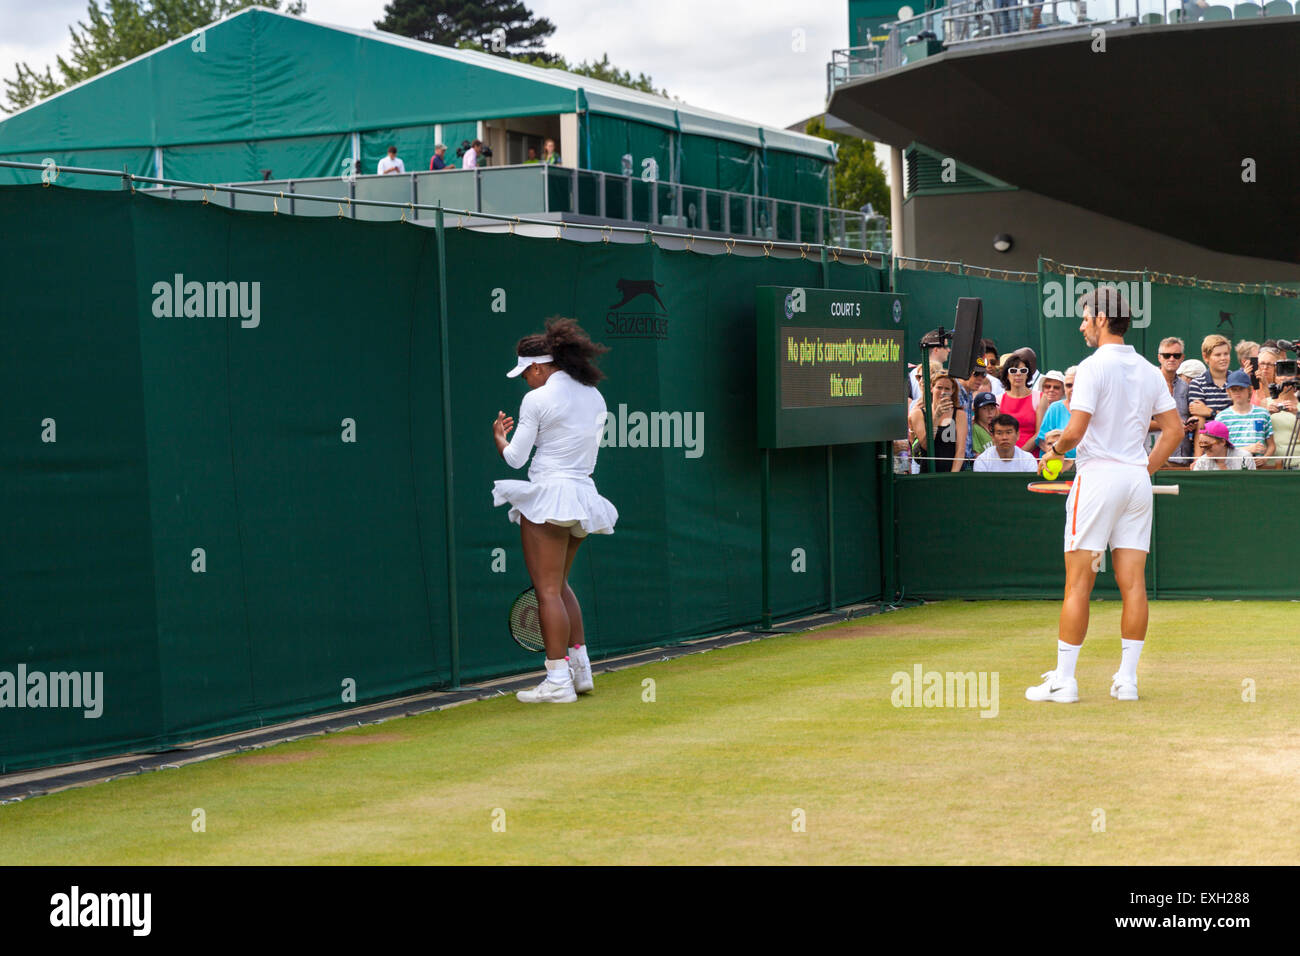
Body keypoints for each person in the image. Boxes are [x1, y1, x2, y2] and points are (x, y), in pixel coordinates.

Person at [1032, 286, 1183, 704]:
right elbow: (1174, 431)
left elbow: (1076, 432)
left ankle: (1064, 681)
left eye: (1085, 317)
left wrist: (1055, 448)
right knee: (1133, 584)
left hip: (1098, 479)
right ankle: (1128, 681)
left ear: (1101, 319)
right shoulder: (1151, 370)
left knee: (1077, 584)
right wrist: (1141, 470)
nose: (1082, 324)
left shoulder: (1092, 367)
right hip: (1136, 481)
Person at [492, 318, 618, 703]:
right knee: (559, 586)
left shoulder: (537, 398)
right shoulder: (594, 396)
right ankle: (580, 673)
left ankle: (558, 681)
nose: (525, 380)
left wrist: (500, 438)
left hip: (549, 498)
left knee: (547, 590)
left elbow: (515, 460)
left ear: (539, 367)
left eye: (526, 373)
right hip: (581, 498)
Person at [908, 371, 967, 473]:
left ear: (952, 391)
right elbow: (926, 445)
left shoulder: (960, 415)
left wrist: (952, 476)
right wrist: (936, 417)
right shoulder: (918, 414)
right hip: (928, 472)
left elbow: (960, 450)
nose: (943, 392)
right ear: (931, 388)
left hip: (952, 472)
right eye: (939, 387)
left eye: (947, 388)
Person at [1216, 369, 1273, 466]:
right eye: (1234, 389)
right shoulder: (1221, 417)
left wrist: (1265, 458)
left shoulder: (1263, 413)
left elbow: (1271, 445)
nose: (1238, 392)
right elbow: (1219, 449)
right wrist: (1247, 449)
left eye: (1241, 388)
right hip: (1232, 467)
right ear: (1228, 391)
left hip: (1257, 467)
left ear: (1249, 389)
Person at [1035, 368, 1076, 468]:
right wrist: (1057, 454)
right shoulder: (1055, 408)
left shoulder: (1092, 409)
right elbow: (1041, 440)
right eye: (1069, 385)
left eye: (1076, 385)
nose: (1072, 389)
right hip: (1057, 465)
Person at [998, 351, 1038, 452]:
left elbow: (1039, 433)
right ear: (1007, 374)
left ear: (1027, 374)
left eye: (1023, 370)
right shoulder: (998, 400)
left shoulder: (1040, 397)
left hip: (1031, 459)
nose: (1018, 374)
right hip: (1005, 456)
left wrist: (1020, 455)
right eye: (1013, 371)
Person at [1188, 334, 1233, 423]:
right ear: (1205, 357)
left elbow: (1241, 416)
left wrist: (1210, 412)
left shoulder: (1236, 380)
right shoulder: (1197, 384)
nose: (1223, 358)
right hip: (1208, 435)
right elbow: (1198, 416)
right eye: (1218, 355)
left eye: (1226, 354)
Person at [1266, 368, 1299, 470]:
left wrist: (1296, 413)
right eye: (1280, 374)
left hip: (1297, 462)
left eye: (1289, 374)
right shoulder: (1264, 403)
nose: (1284, 378)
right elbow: (1256, 432)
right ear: (1275, 378)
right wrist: (1266, 414)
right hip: (1271, 464)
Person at [1190, 421, 1256, 470]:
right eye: (1201, 445)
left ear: (1222, 442)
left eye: (1207, 444)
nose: (1204, 448)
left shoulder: (1244, 458)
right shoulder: (1201, 463)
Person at [970, 391, 999, 458]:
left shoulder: (995, 427)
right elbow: (976, 455)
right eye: (984, 408)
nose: (990, 412)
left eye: (992, 408)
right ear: (976, 411)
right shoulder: (975, 428)